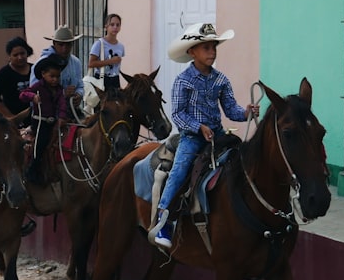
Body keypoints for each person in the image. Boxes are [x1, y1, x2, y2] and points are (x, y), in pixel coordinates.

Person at [148, 22, 259, 250]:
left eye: (214, 47)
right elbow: (178, 114)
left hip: (217, 134)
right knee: (179, 171)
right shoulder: (183, 81)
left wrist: (246, 112)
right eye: (206, 48)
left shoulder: (221, 80)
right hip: (192, 137)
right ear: (192, 52)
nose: (212, 52)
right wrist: (199, 127)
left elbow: (231, 110)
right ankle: (164, 221)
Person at [19, 56, 68, 184]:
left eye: (57, 76)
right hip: (40, 122)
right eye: (52, 76)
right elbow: (23, 94)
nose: (55, 79)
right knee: (41, 143)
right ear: (43, 74)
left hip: (53, 121)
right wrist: (33, 96)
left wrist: (62, 117)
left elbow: (62, 103)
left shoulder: (59, 89)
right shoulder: (38, 86)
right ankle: (32, 169)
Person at [39, 25, 85, 115]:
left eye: (68, 44)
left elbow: (80, 85)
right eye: (61, 45)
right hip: (48, 113)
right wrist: (63, 94)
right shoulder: (42, 63)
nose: (65, 48)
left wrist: (79, 95)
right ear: (54, 43)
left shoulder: (76, 62)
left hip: (71, 111)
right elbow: (36, 92)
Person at [0, 36, 34, 119]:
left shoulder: (35, 70)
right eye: (15, 55)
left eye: (22, 53)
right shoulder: (4, 73)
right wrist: (11, 117)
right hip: (13, 123)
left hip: (34, 119)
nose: (20, 57)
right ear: (9, 56)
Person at [88, 13, 125, 93]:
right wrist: (110, 61)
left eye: (118, 25)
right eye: (112, 25)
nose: (115, 27)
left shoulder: (120, 46)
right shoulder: (99, 43)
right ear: (106, 27)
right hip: (101, 79)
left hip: (115, 79)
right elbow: (91, 63)